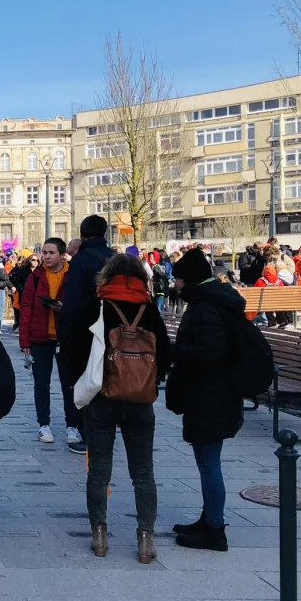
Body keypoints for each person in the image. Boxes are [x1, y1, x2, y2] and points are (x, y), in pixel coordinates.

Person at [76, 254, 171, 564]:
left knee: (99, 472)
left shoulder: (99, 307)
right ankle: (146, 541)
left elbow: (77, 347)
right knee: (143, 474)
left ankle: (99, 536)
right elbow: (166, 353)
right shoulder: (149, 309)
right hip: (141, 401)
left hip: (102, 399)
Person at [167, 248, 244, 552]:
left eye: (179, 280)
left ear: (189, 280)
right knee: (206, 462)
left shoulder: (207, 308)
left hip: (211, 394)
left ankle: (215, 528)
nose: (176, 286)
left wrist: (173, 352)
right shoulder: (211, 301)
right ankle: (208, 518)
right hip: (212, 393)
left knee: (209, 464)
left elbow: (210, 353)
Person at [58, 216, 114, 452]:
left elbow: (72, 303)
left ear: (82, 233)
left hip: (86, 330)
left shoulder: (80, 261)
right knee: (106, 380)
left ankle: (88, 432)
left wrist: (65, 335)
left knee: (85, 380)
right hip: (113, 328)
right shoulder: (116, 258)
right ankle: (108, 430)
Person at [19, 238, 82, 449]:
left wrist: (66, 308)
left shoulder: (72, 275)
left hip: (65, 337)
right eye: (44, 252)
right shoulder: (35, 277)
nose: (46, 256)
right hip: (41, 337)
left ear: (62, 255)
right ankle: (43, 424)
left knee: (69, 384)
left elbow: (82, 305)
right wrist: (25, 340)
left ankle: (72, 425)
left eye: (51, 252)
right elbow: (26, 308)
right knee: (41, 383)